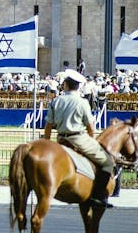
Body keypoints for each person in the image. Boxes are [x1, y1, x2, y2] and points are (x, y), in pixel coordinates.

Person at [43, 69, 115, 208]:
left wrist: (47, 143)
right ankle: (99, 196)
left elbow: (48, 126)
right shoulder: (82, 102)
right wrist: (91, 140)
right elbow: (90, 127)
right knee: (108, 163)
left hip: (61, 139)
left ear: (65, 85)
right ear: (78, 86)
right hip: (78, 138)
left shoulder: (55, 101)